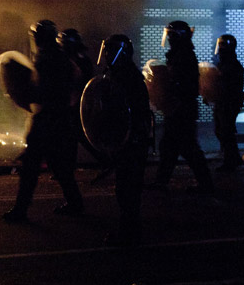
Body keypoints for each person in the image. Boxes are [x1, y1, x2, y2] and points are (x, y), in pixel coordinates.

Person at [4, 19, 83, 222]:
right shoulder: (61, 58)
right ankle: (75, 203)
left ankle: (21, 210)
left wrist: (22, 90)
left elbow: (43, 92)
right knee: (59, 167)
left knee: (31, 167)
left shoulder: (47, 60)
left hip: (47, 120)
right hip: (58, 119)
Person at [91, 34, 151, 247]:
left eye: (110, 50)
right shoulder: (117, 74)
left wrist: (129, 140)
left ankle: (129, 235)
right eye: (105, 50)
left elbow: (132, 114)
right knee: (125, 189)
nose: (106, 54)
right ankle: (129, 232)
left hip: (132, 142)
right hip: (125, 141)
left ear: (122, 52)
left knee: (128, 190)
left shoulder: (129, 78)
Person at [150, 20, 214, 194]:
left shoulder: (184, 56)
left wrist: (168, 88)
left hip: (182, 110)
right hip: (179, 108)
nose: (168, 39)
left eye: (171, 35)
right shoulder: (180, 54)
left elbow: (185, 85)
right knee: (170, 147)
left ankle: (206, 185)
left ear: (178, 36)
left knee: (187, 148)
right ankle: (162, 181)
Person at [60, 28, 111, 179]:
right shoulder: (76, 59)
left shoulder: (79, 61)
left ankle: (105, 161)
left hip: (78, 103)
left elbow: (81, 82)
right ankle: (67, 168)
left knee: (80, 136)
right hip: (74, 102)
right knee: (72, 137)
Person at [210, 34, 244, 173]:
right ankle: (234, 157)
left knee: (226, 132)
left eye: (222, 45)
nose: (219, 49)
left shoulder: (232, 65)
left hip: (228, 103)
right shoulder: (225, 64)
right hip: (223, 102)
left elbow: (228, 86)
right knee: (223, 131)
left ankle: (230, 161)